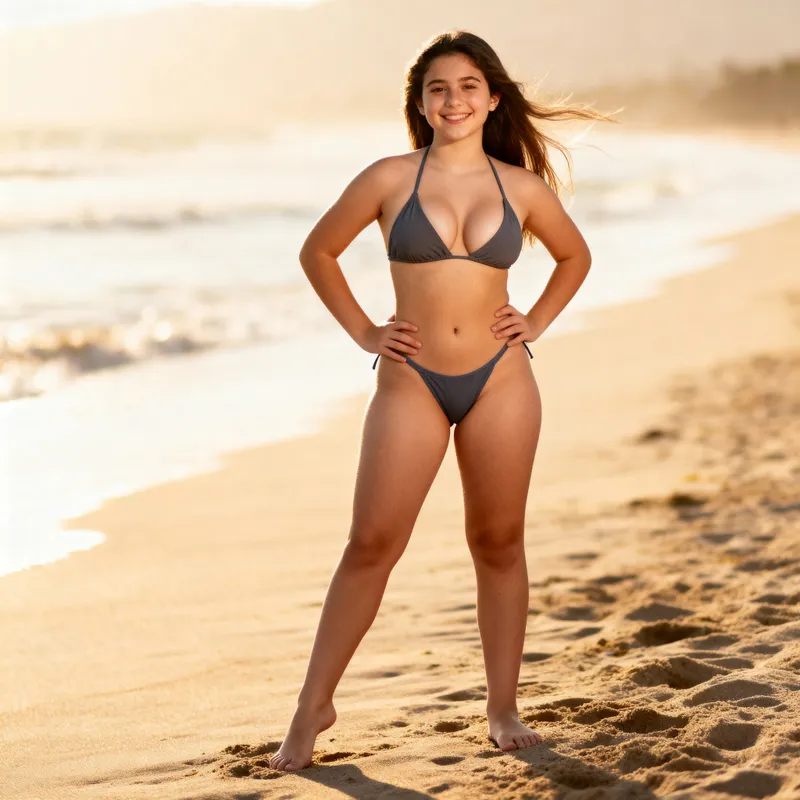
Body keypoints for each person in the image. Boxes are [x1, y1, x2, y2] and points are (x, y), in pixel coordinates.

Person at [270, 29, 611, 772]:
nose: (452, 100)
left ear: (492, 99)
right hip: (412, 380)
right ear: (420, 104)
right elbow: (317, 251)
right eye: (437, 89)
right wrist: (365, 330)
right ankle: (311, 708)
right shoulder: (390, 178)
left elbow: (574, 254)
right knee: (371, 544)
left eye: (466, 87)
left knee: (498, 542)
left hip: (501, 377)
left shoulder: (519, 188)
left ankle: (502, 706)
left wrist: (539, 320)